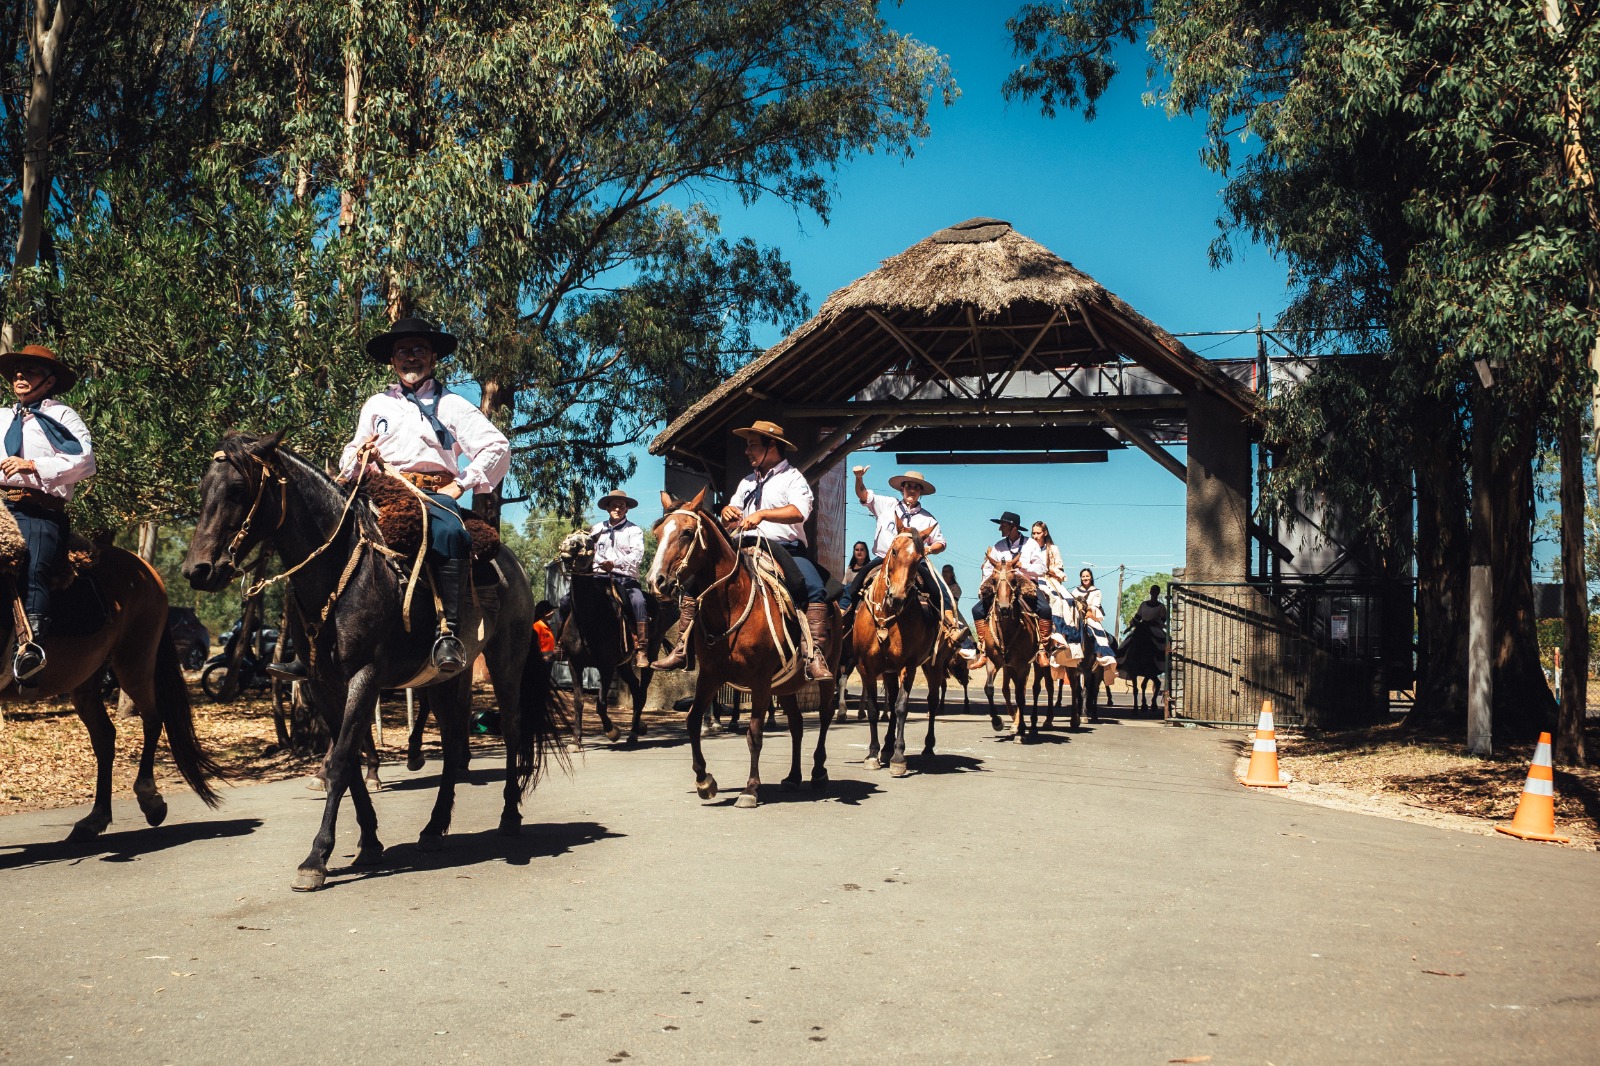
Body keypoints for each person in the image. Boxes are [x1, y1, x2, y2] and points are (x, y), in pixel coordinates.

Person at [276, 317, 509, 680]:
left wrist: (461, 485)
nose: (410, 357)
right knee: (317, 538)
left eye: (418, 350)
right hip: (380, 488)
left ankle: (447, 634)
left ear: (432, 357)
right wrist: (358, 457)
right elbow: (352, 449)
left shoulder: (454, 406)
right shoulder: (375, 405)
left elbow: (496, 446)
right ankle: (307, 647)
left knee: (449, 533)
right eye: (403, 351)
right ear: (393, 360)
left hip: (433, 492)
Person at [653, 419, 832, 680]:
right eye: (747, 446)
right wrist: (726, 513)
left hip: (784, 549)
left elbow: (799, 511)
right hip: (744, 547)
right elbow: (733, 516)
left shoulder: (793, 478)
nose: (747, 451)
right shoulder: (747, 482)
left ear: (772, 446)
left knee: (814, 587)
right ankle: (682, 648)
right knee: (694, 582)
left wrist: (762, 515)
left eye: (752, 445)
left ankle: (814, 654)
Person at [0, 344, 95, 684]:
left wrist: (32, 465)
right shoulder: (0, 416)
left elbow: (85, 461)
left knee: (34, 565)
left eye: (30, 371)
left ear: (50, 381)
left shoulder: (63, 416)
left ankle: (29, 651)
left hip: (38, 508)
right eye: (17, 371)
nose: (20, 376)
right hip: (0, 506)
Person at [836, 466, 948, 614]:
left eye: (916, 487)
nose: (912, 490)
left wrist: (928, 549)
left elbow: (941, 543)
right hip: (884, 558)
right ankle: (843, 616)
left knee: (939, 590)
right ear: (902, 488)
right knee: (853, 586)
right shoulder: (886, 505)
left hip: (914, 562)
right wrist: (859, 478)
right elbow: (863, 495)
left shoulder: (928, 519)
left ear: (920, 492)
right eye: (908, 486)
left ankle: (949, 623)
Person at [567, 488, 650, 670]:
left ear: (627, 509)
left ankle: (641, 648)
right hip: (597, 576)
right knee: (567, 599)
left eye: (621, 506)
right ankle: (561, 643)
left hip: (625, 579)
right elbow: (587, 549)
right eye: (614, 505)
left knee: (638, 602)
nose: (617, 509)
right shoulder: (597, 529)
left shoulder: (634, 531)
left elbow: (637, 555)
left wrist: (615, 563)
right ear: (608, 508)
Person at [970, 510, 1051, 666]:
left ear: (1013, 527)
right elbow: (988, 568)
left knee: (1045, 609)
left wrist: (1024, 567)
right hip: (1001, 585)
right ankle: (983, 651)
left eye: (1003, 525)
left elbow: (1042, 569)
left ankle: (1042, 650)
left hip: (1026, 584)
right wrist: (987, 582)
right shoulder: (998, 546)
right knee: (977, 610)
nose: (1000, 528)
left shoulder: (1031, 544)